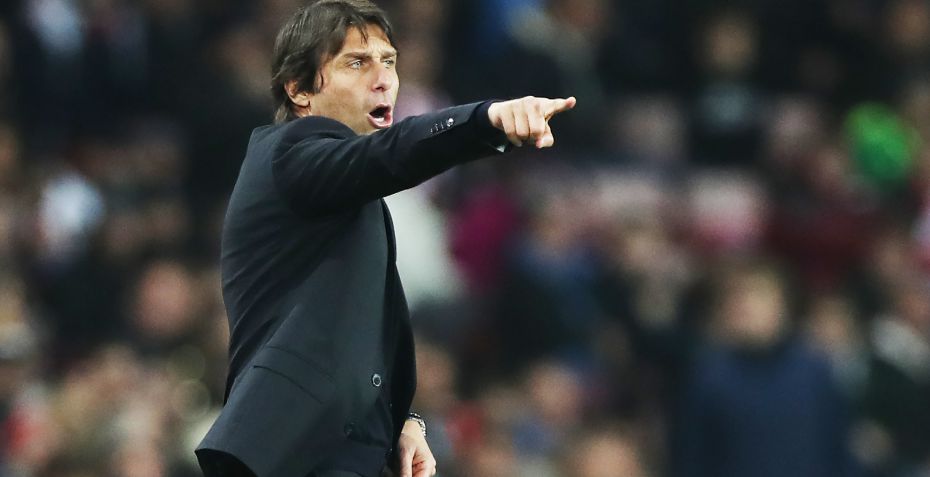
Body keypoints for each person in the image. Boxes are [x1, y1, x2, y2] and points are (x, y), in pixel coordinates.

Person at [194, 1, 576, 477]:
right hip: (293, 452)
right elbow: (393, 153)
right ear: (299, 90)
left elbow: (352, 328)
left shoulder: (349, 194)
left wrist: (399, 421)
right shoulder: (286, 154)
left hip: (342, 451)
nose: (383, 80)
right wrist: (485, 120)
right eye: (357, 63)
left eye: (389, 62)